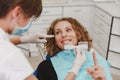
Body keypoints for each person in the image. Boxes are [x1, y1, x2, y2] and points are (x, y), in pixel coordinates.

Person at [35, 17, 112, 80]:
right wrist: (75, 69)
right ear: (55, 41)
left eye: (68, 30)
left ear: (78, 35)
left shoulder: (98, 60)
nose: (64, 35)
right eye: (58, 32)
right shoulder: (47, 67)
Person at [0, 0, 42, 80]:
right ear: (17, 13)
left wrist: (22, 40)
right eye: (30, 18)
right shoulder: (11, 54)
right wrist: (73, 72)